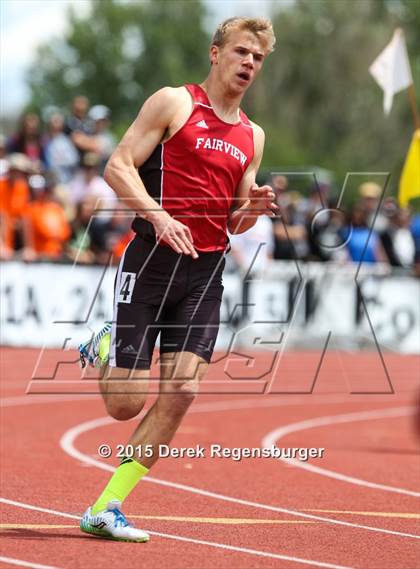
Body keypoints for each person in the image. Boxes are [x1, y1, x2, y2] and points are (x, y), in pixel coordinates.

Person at [79, 17, 277, 543]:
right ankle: (104, 349)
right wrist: (159, 214)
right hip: (150, 261)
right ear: (215, 54)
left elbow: (234, 219)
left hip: (204, 271)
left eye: (257, 58)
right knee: (125, 405)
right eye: (240, 52)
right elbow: (119, 166)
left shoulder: (252, 136)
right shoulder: (173, 103)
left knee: (184, 390)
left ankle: (107, 505)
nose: (248, 64)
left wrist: (253, 209)